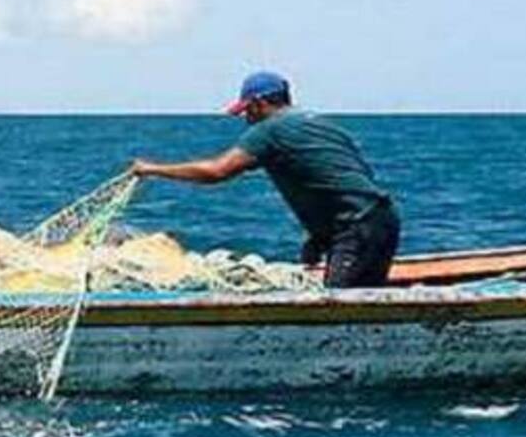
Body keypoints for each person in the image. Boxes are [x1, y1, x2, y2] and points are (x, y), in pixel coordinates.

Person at [129, 71, 400, 288]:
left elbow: (216, 171)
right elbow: (343, 179)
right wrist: (320, 237)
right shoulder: (320, 124)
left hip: (356, 227)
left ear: (260, 103)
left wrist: (152, 169)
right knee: (362, 293)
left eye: (247, 110)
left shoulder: (271, 130)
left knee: (340, 309)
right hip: (380, 218)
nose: (246, 118)